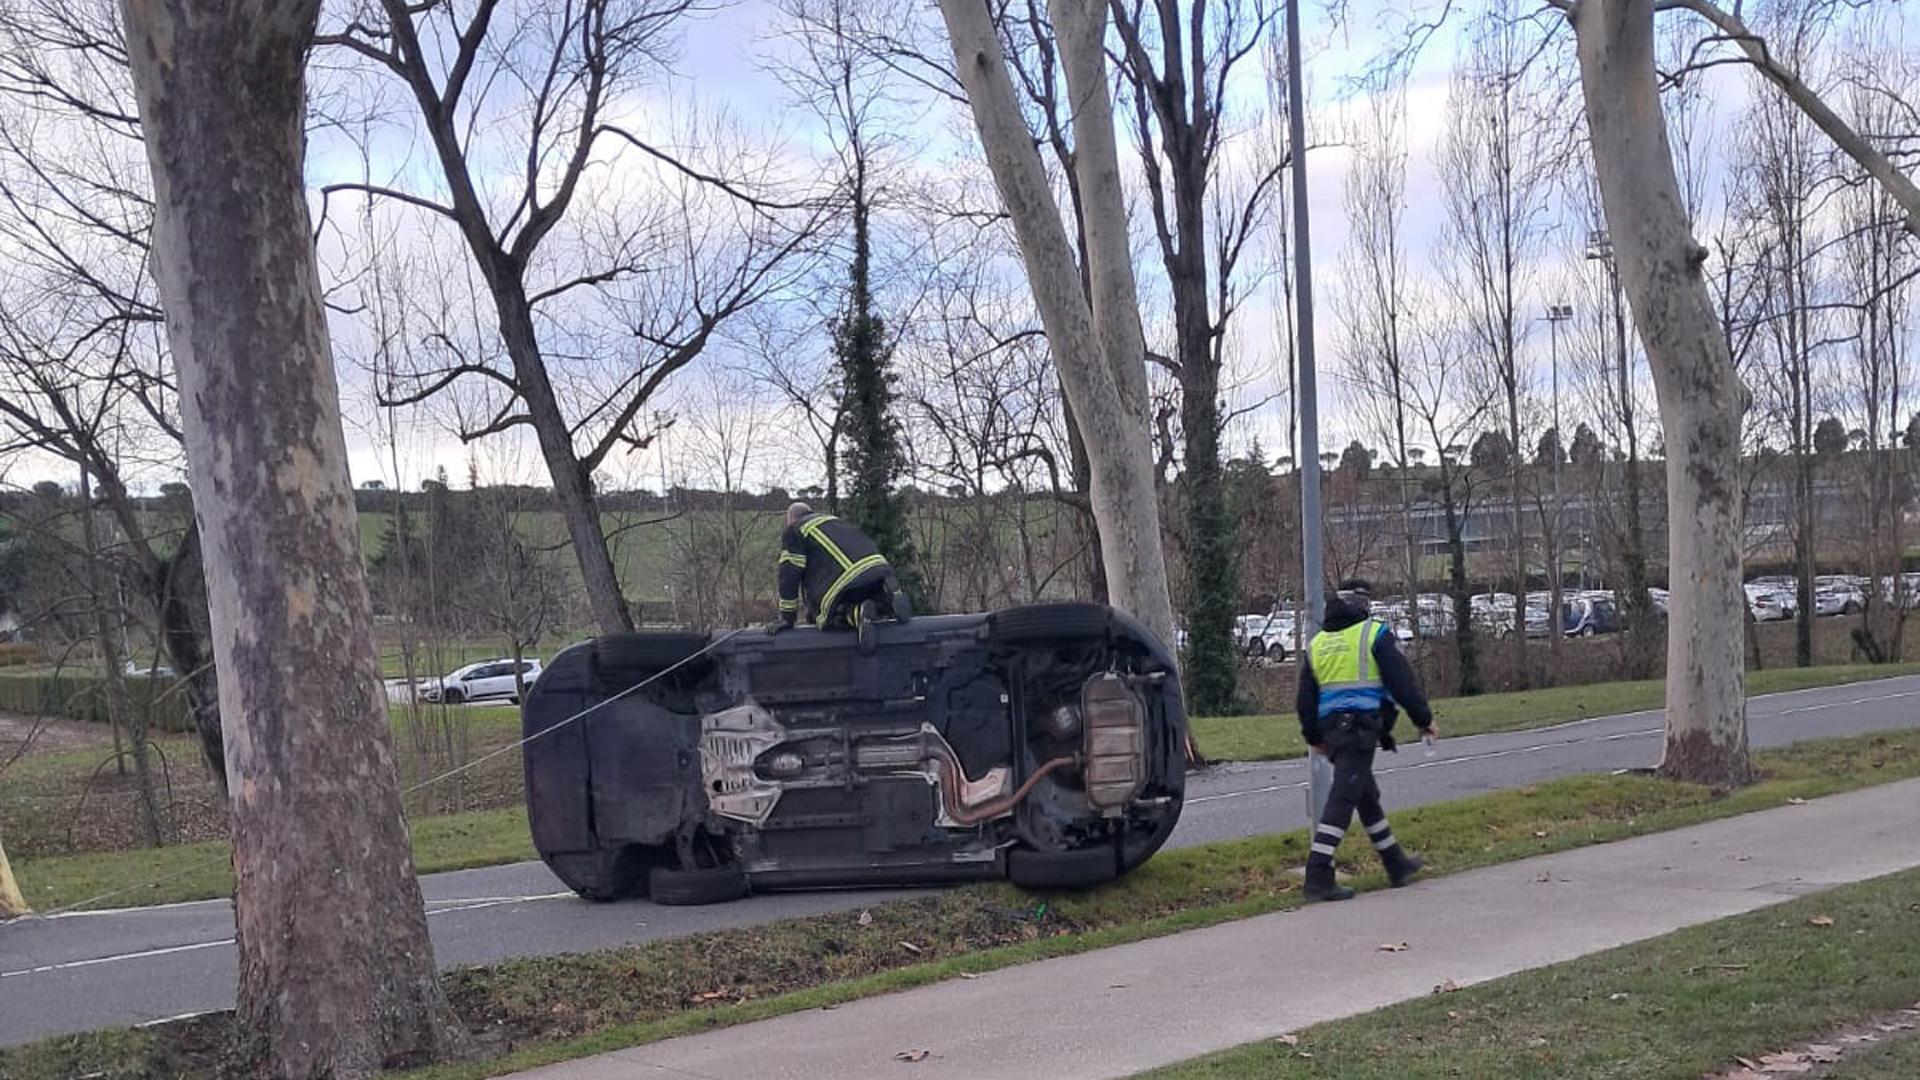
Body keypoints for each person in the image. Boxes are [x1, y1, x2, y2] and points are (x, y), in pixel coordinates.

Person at [1296, 579, 1437, 902]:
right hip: (1359, 729)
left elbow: (1305, 697)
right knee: (1343, 798)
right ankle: (1317, 874)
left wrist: (1313, 736)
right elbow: (1402, 682)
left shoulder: (1318, 644)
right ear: (1363, 605)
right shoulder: (1374, 635)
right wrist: (1424, 720)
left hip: (1332, 731)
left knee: (1365, 795)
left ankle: (1395, 863)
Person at [769, 502, 910, 651]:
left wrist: (787, 617)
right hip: (877, 570)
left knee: (826, 617)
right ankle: (890, 599)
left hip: (845, 580)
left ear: (791, 519)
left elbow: (789, 573)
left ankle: (855, 614)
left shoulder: (795, 530)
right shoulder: (835, 521)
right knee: (873, 602)